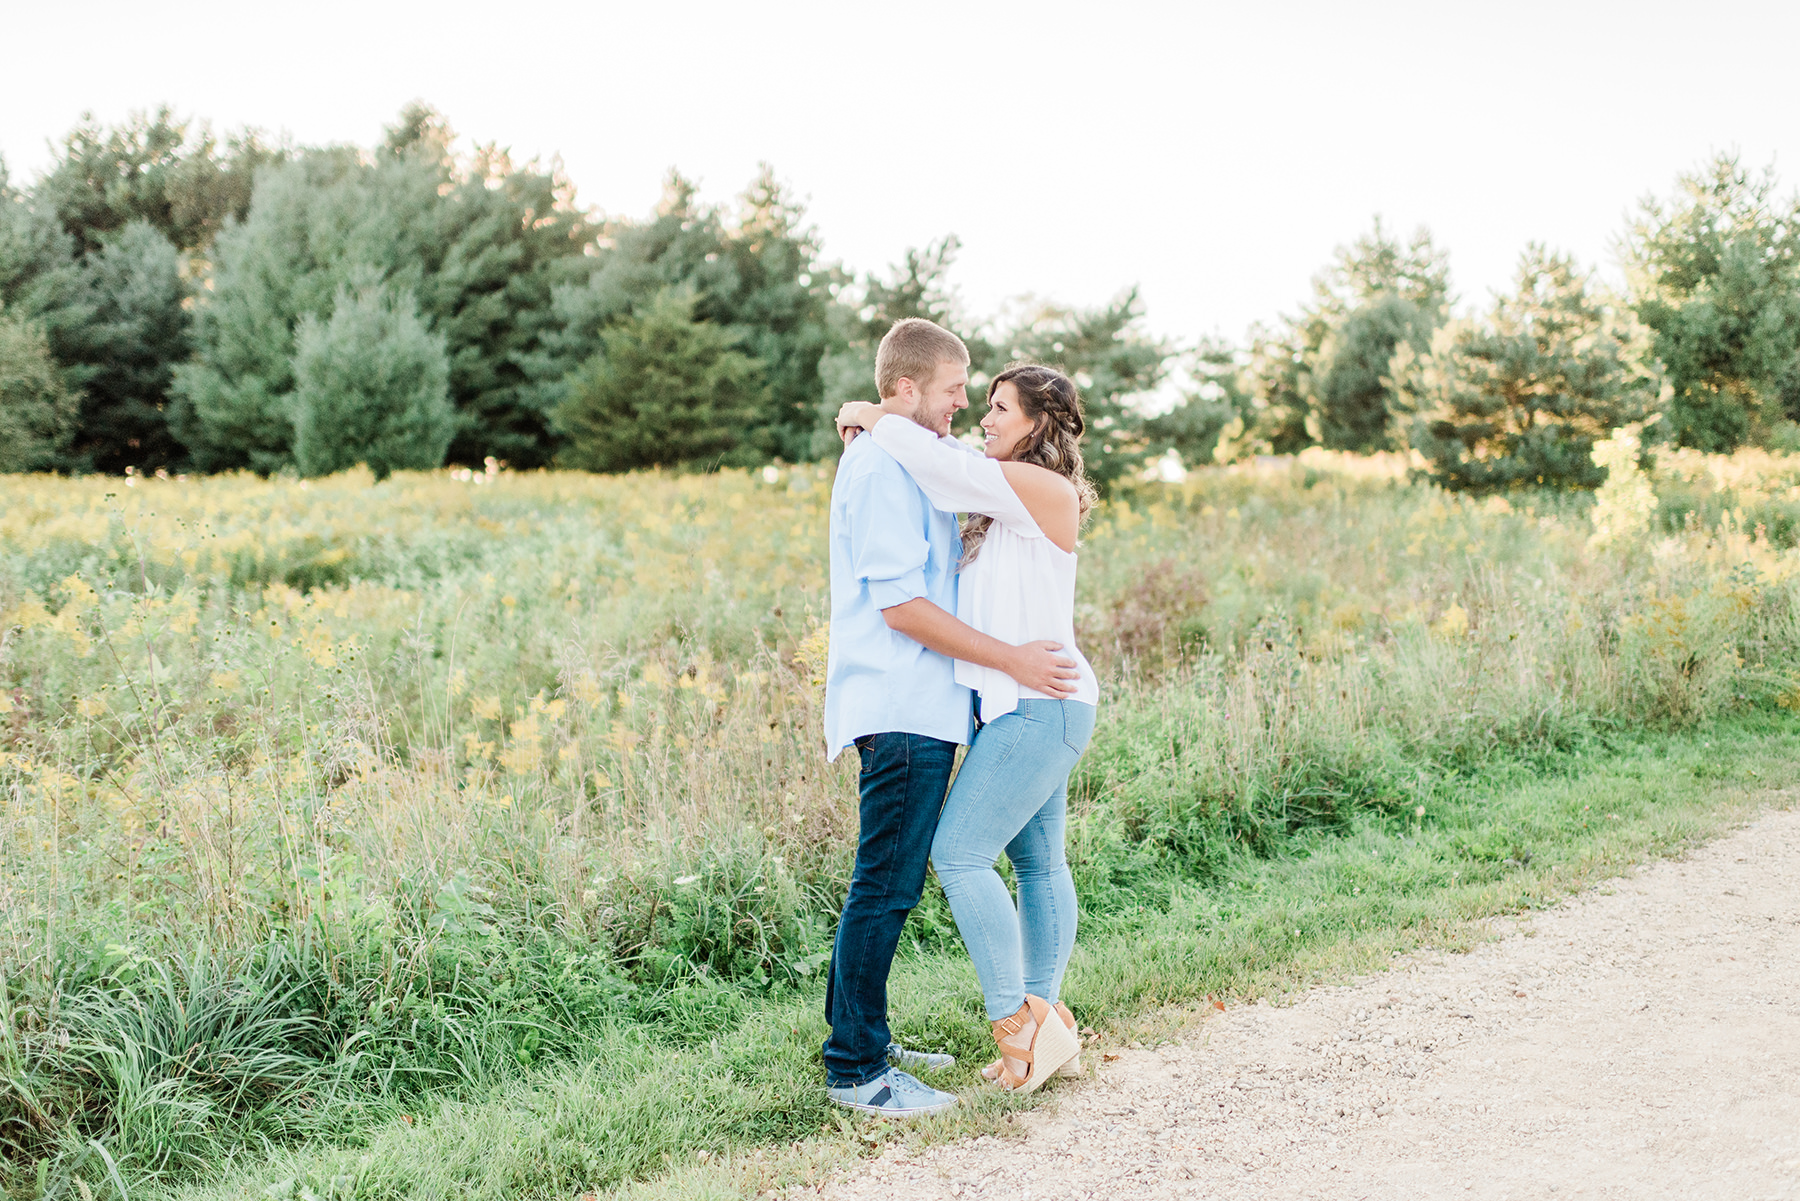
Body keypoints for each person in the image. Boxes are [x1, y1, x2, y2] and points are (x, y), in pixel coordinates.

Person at [822, 320, 1082, 1117]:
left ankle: (1022, 1024)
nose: (973, 412)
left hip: (1005, 702)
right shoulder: (908, 465)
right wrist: (878, 415)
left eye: (995, 403)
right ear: (911, 389)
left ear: (1038, 425)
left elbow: (944, 458)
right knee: (900, 881)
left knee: (941, 870)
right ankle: (866, 1064)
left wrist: (877, 412)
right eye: (963, 394)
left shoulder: (1006, 483)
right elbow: (902, 601)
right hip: (925, 702)